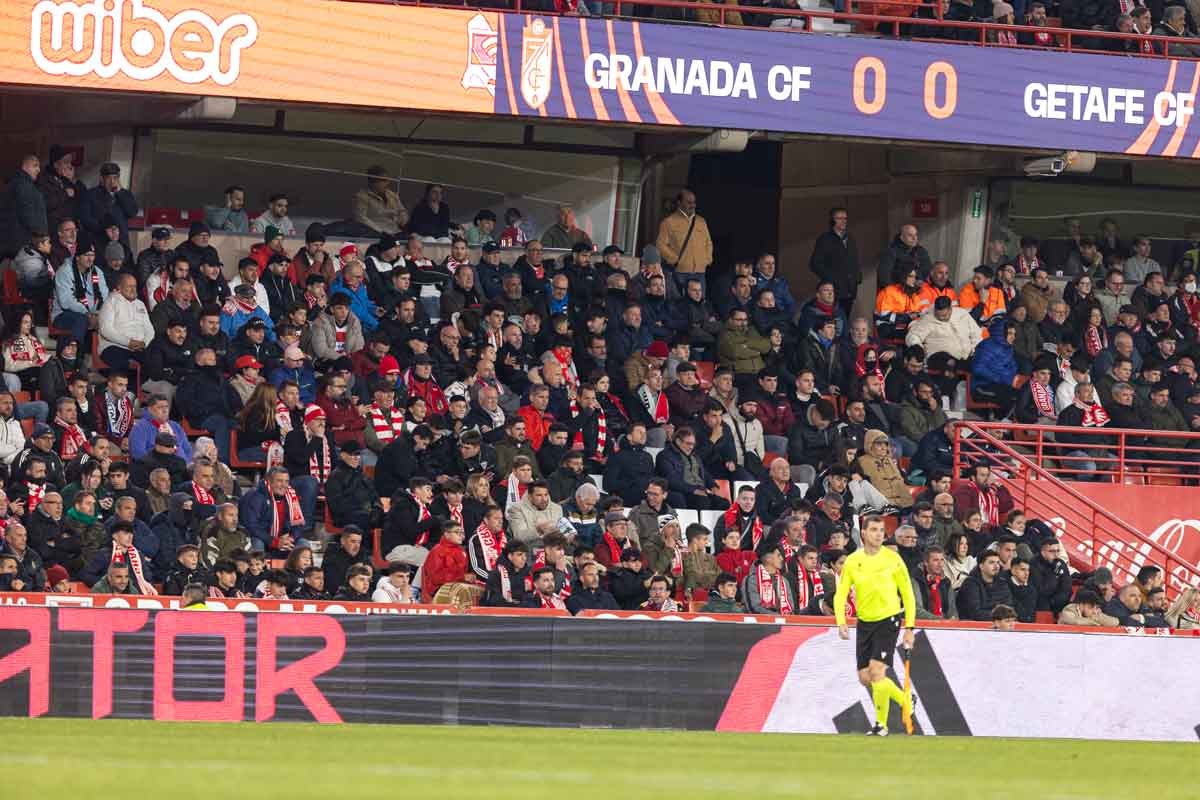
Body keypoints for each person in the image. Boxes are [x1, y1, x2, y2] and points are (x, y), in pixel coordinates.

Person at [833, 514, 917, 736]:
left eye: (881, 530)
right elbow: (840, 594)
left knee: (877, 671)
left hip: (888, 619)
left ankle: (881, 724)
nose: (879, 534)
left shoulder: (893, 559)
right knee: (865, 677)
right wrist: (841, 622)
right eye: (874, 530)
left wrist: (909, 627)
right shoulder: (853, 560)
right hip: (865, 622)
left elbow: (907, 593)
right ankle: (904, 698)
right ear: (863, 533)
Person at [656, 188, 713, 292]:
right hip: (681, 272)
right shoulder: (669, 222)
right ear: (679, 203)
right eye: (689, 202)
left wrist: (707, 258)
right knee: (680, 303)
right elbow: (661, 245)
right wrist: (674, 259)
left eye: (694, 202)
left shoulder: (701, 221)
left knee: (699, 302)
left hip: (700, 272)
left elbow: (708, 243)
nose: (693, 205)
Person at [957, 549, 1014, 621]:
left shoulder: (1003, 583)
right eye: (991, 562)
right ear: (981, 566)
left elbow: (1009, 609)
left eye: (998, 562)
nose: (996, 566)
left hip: (1000, 625)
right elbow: (975, 613)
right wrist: (999, 616)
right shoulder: (970, 584)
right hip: (975, 628)